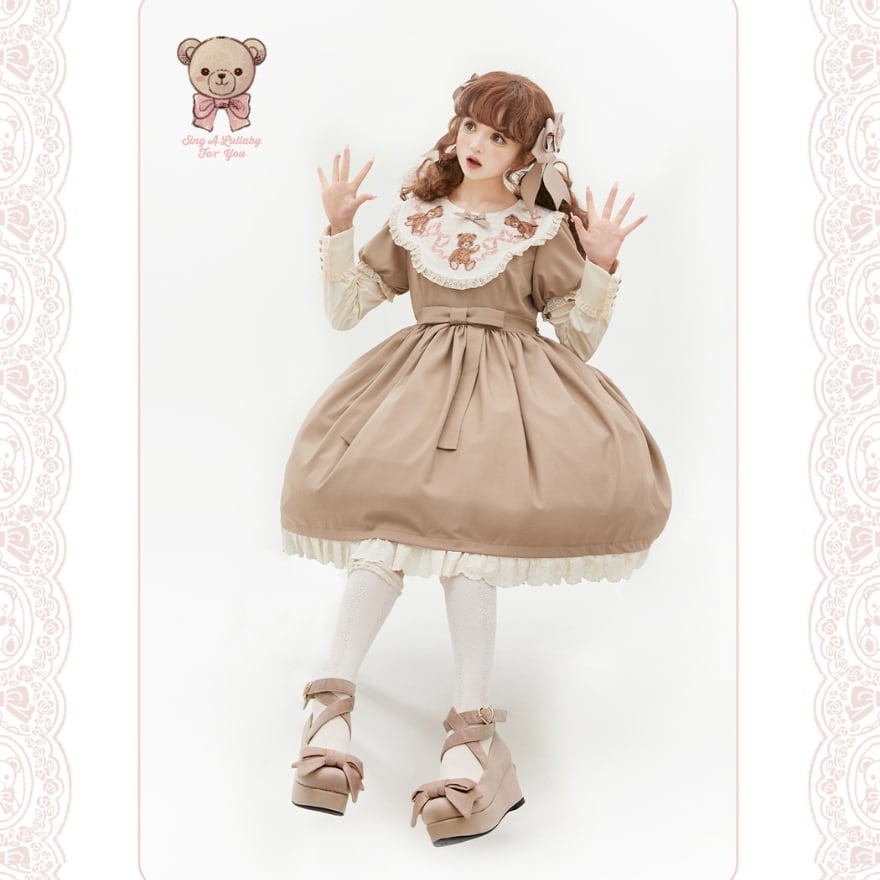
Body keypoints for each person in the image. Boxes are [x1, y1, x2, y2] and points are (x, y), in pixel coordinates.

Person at [281, 71, 671, 845]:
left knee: (471, 549)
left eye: (499, 136)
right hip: (413, 399)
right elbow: (347, 307)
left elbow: (578, 340)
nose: (478, 144)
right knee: (383, 534)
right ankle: (330, 708)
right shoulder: (415, 219)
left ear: (529, 154)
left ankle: (471, 732)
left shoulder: (539, 230)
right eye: (470, 126)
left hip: (505, 409)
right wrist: (337, 228)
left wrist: (600, 263)